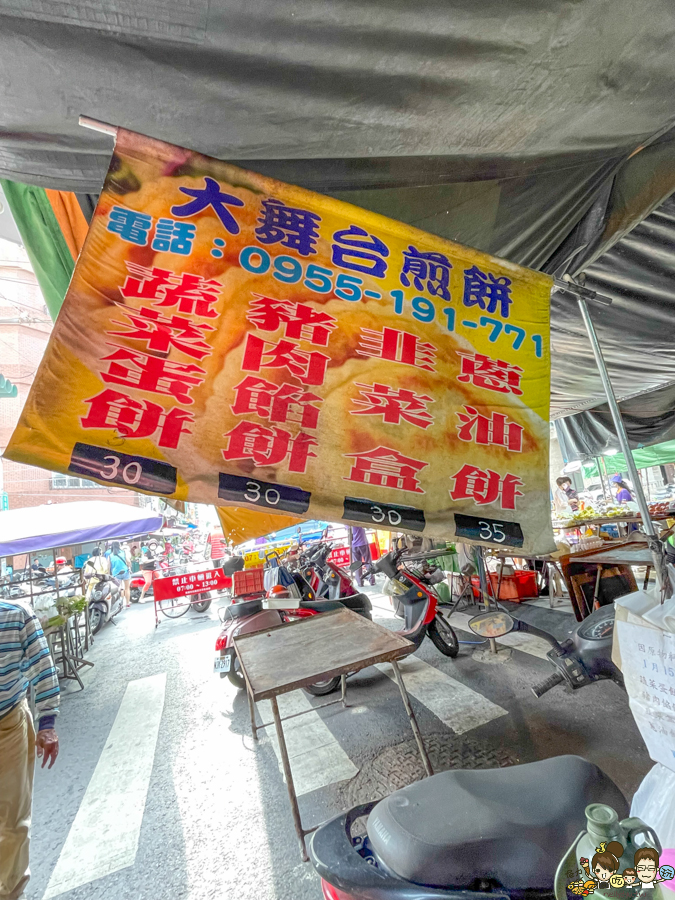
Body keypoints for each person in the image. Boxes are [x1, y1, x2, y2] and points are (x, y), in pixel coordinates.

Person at [0, 598, 60, 900]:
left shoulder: (15, 615)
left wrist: (47, 725)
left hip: (7, 726)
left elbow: (43, 668)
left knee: (11, 822)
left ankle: (9, 892)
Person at [106, 541, 131, 608]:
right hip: (125, 571)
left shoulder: (110, 556)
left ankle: (121, 603)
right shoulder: (123, 552)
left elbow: (108, 566)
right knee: (127, 588)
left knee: (120, 589)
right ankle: (128, 603)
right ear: (119, 545)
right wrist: (129, 567)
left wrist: (109, 574)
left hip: (116, 574)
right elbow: (128, 561)